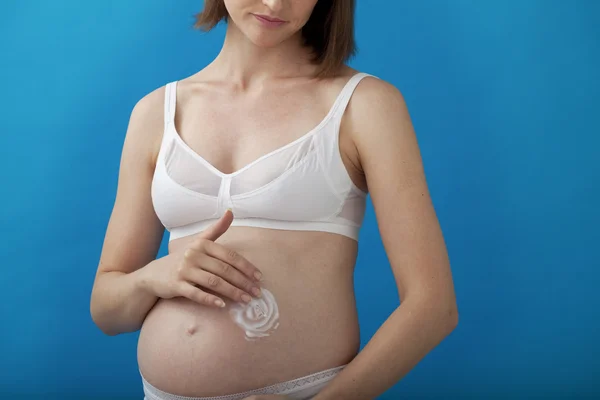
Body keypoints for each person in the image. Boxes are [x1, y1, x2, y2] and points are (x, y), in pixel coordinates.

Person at [90, 1, 459, 399]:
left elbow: (433, 306)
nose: (275, 3)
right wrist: (155, 276)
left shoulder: (363, 105)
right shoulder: (156, 113)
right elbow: (107, 311)